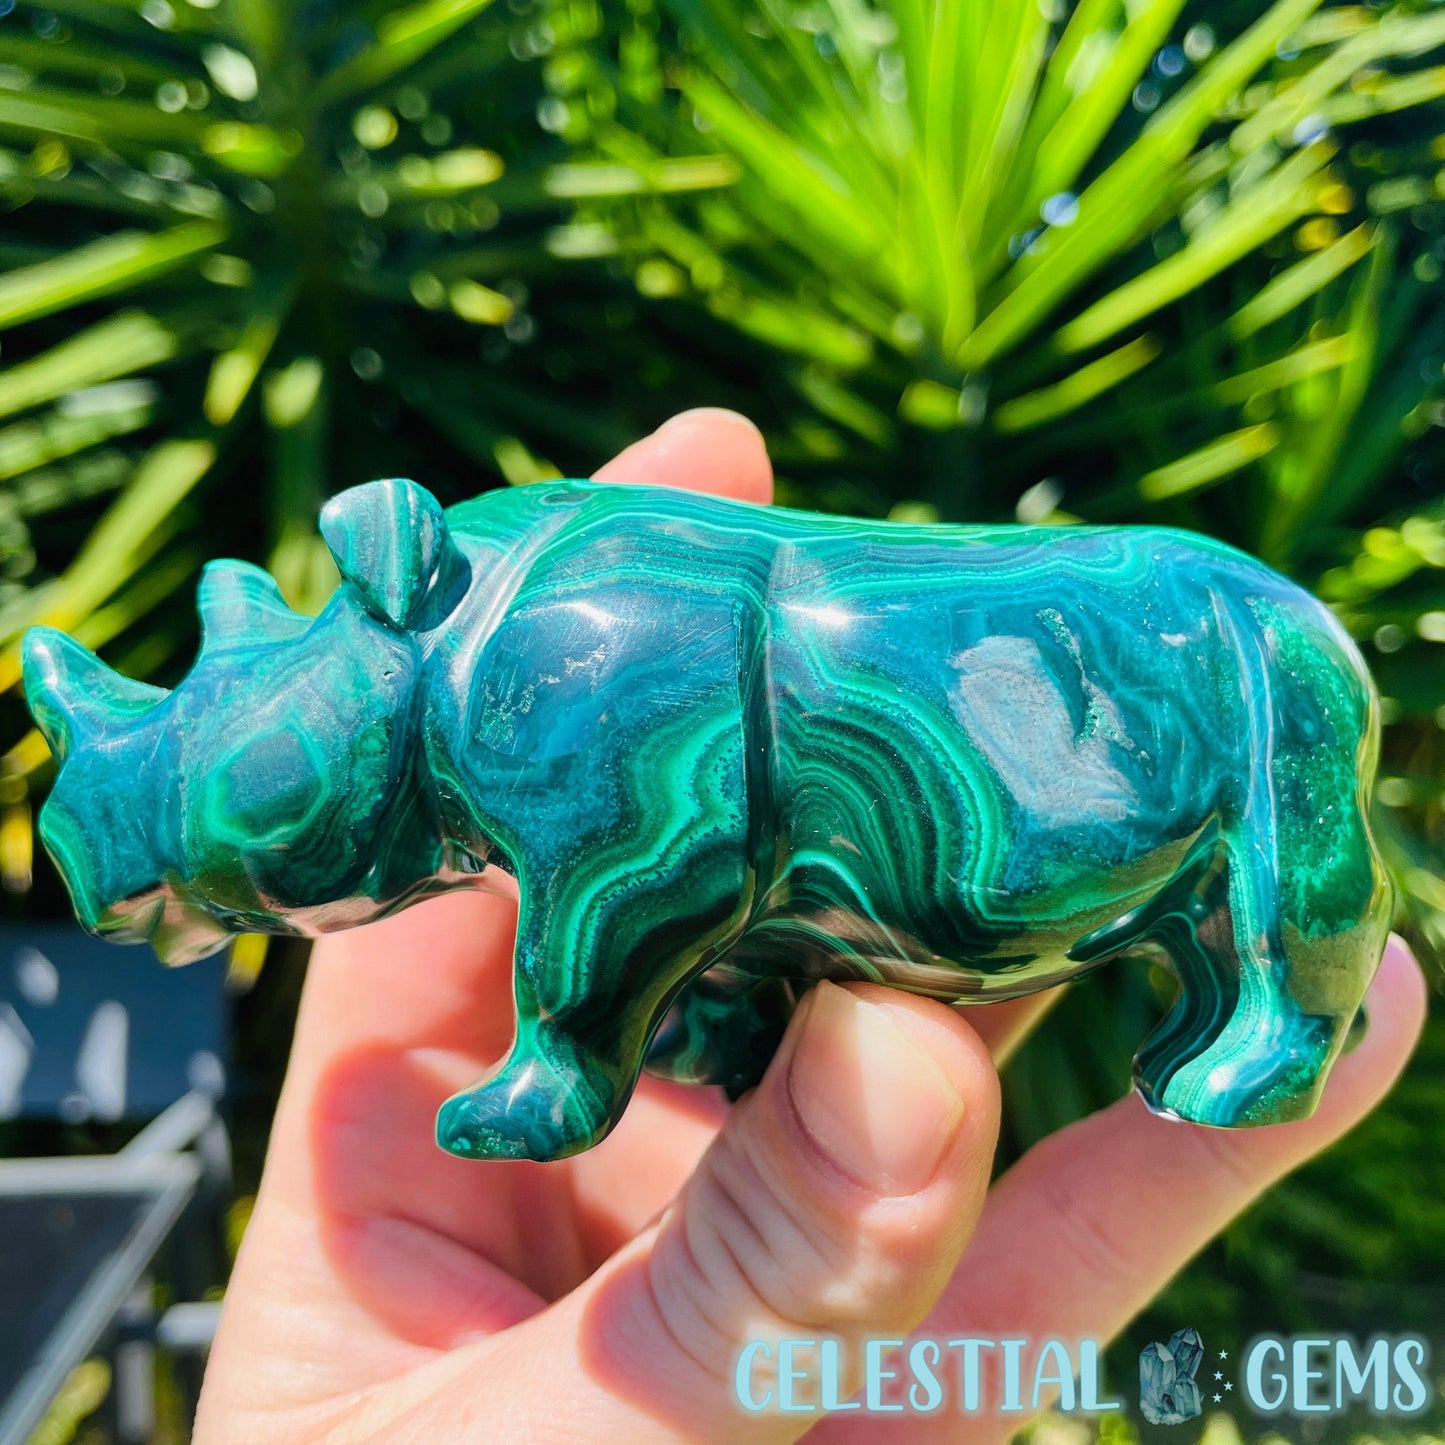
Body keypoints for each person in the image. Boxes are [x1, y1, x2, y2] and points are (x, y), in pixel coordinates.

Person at [193, 409, 1426, 1443]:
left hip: (1150, 681)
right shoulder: (558, 616)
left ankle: (1288, 1016)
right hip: (976, 793)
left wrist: (569, 1047)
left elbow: (653, 865)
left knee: (1287, 842)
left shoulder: (571, 635)